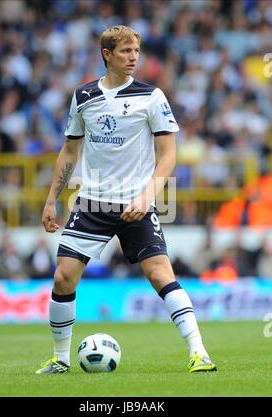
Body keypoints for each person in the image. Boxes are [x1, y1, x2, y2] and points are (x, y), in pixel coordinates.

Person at [36, 25, 217, 374]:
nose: (134, 57)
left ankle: (199, 353)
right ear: (107, 55)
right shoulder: (84, 96)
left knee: (159, 273)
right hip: (92, 203)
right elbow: (70, 150)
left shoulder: (152, 96)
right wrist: (50, 201)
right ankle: (60, 359)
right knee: (63, 278)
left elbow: (168, 156)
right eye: (125, 52)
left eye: (136, 51)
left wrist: (146, 196)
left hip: (137, 202)